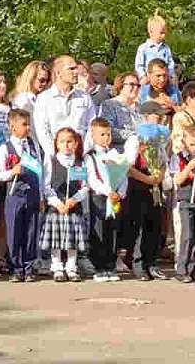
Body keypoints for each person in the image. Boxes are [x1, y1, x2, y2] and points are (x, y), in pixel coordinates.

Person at [120, 101, 171, 281]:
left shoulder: (159, 142)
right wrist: (148, 179)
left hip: (154, 187)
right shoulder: (135, 139)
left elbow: (164, 162)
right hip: (139, 187)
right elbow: (128, 166)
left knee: (154, 226)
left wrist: (159, 176)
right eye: (157, 116)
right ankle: (137, 262)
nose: (160, 120)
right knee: (139, 227)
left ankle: (151, 262)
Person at [0, 109, 42, 282]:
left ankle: (29, 267)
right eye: (24, 124)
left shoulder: (33, 146)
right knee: (14, 232)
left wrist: (42, 195)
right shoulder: (5, 148)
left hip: (32, 193)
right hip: (14, 194)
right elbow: (0, 175)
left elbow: (40, 170)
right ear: (12, 126)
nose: (28, 128)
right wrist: (12, 171)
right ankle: (16, 267)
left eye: (28, 124)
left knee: (31, 232)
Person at [40, 128, 89, 283]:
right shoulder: (52, 161)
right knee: (57, 238)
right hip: (57, 206)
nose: (66, 145)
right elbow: (46, 185)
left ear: (75, 143)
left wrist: (74, 199)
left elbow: (85, 186)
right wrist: (57, 202)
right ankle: (57, 266)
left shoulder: (80, 161)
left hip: (73, 205)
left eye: (70, 141)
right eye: (62, 141)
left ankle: (71, 266)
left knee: (71, 239)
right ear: (57, 143)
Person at [33, 55, 95, 158]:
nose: (76, 72)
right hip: (55, 159)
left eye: (76, 68)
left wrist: (83, 151)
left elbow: (92, 126)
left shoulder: (84, 97)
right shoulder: (44, 98)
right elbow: (42, 131)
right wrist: (55, 154)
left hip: (81, 157)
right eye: (71, 69)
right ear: (58, 73)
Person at [170, 124, 195, 283]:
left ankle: (192, 269)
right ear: (184, 142)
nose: (194, 148)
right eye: (191, 145)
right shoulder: (178, 157)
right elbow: (177, 180)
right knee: (187, 236)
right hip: (186, 200)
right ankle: (181, 269)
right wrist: (188, 168)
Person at [84, 118, 122, 282]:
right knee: (98, 230)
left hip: (115, 198)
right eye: (102, 134)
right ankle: (99, 267)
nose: (106, 138)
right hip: (99, 197)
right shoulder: (90, 156)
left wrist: (121, 191)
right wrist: (107, 191)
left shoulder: (116, 155)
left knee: (113, 231)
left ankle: (110, 265)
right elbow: (92, 179)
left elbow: (122, 175)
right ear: (93, 135)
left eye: (108, 134)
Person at [99, 72, 143, 150]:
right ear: (120, 86)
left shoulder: (140, 108)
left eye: (138, 85)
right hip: (119, 153)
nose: (135, 88)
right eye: (132, 84)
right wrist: (135, 135)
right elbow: (108, 131)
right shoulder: (109, 105)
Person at [134, 13, 176, 88]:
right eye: (161, 33)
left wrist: (171, 75)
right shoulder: (143, 48)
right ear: (151, 32)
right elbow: (139, 65)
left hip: (164, 80)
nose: (163, 36)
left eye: (164, 33)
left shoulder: (166, 48)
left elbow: (170, 63)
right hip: (149, 81)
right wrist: (143, 76)